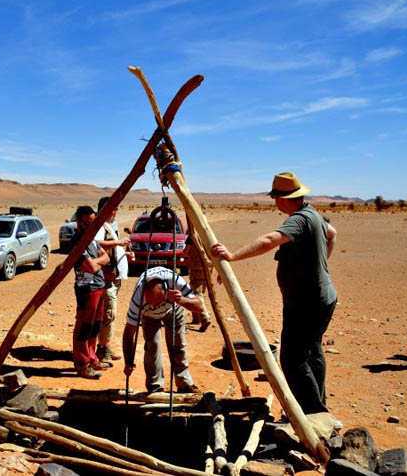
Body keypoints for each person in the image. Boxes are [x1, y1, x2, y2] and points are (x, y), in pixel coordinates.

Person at [210, 172, 337, 414]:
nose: (274, 201)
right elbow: (332, 234)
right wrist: (320, 266)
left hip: (306, 303)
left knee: (292, 360)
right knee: (312, 352)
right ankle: (318, 410)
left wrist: (232, 256)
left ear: (285, 198)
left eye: (275, 197)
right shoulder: (313, 215)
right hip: (318, 298)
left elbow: (270, 240)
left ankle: (310, 414)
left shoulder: (300, 220)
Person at [122, 266, 204, 393]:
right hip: (148, 315)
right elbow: (129, 333)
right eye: (150, 302)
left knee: (178, 344)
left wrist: (182, 300)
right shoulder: (138, 298)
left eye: (157, 303)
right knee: (152, 347)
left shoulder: (175, 281)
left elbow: (199, 306)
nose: (154, 306)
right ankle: (155, 387)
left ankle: (184, 384)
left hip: (174, 309)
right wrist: (128, 361)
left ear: (167, 292)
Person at [72, 205, 110, 379]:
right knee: (84, 327)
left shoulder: (92, 239)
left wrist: (96, 261)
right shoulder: (78, 242)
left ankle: (92, 358)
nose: (90, 227)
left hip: (99, 287)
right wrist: (98, 262)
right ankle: (82, 364)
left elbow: (106, 257)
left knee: (95, 326)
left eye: (93, 223)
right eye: (87, 223)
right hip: (86, 289)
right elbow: (92, 267)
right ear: (78, 221)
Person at [94, 196, 133, 366]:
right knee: (108, 314)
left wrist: (124, 254)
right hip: (107, 278)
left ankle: (105, 345)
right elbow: (96, 244)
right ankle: (102, 349)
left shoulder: (108, 226)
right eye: (114, 208)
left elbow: (111, 248)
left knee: (110, 314)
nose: (115, 212)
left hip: (114, 278)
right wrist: (118, 242)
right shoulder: (99, 226)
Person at [184, 225, 212, 332]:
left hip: (196, 267)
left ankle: (204, 317)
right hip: (208, 267)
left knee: (197, 293)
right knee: (198, 292)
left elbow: (186, 251)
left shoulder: (192, 236)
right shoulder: (207, 234)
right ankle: (196, 318)